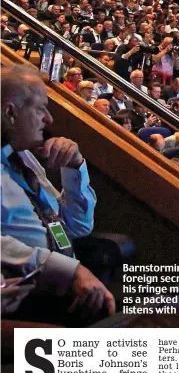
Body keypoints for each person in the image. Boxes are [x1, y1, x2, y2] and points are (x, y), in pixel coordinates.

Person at [1, 65, 114, 320]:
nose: (49, 119)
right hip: (27, 299)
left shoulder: (22, 157)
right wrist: (66, 270)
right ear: (10, 112)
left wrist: (74, 167)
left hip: (69, 284)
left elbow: (76, 227)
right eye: (40, 108)